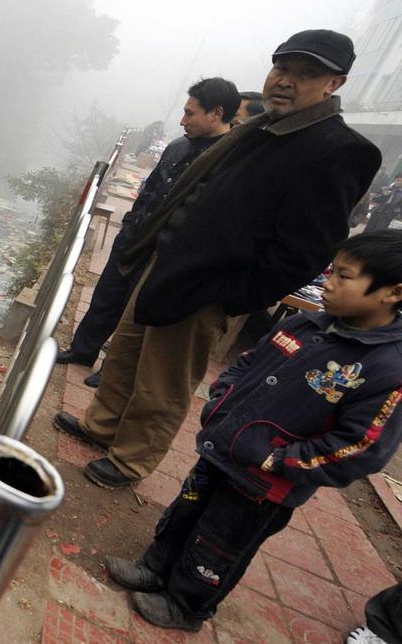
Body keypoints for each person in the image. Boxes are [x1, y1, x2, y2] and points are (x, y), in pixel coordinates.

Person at [55, 29, 382, 489]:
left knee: (162, 381)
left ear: (335, 84)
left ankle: (130, 460)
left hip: (209, 288)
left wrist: (230, 297)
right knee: (127, 353)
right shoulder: (259, 127)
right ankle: (101, 426)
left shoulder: (338, 149)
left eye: (306, 74)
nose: (286, 81)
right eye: (282, 69)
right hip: (166, 263)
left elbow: (306, 249)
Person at [104, 231, 402, 632]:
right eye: (331, 271)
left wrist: (279, 460)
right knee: (186, 512)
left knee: (218, 544)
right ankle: (155, 568)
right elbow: (247, 363)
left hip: (266, 484)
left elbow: (360, 447)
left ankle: (187, 605)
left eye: (344, 276)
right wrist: (221, 399)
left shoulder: (386, 369)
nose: (328, 282)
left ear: (392, 292)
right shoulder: (305, 323)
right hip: (222, 452)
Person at [55, 78, 240, 390]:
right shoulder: (179, 145)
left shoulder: (226, 160)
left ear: (216, 113)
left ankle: (113, 369)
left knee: (135, 310)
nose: (183, 121)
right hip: (136, 235)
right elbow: (150, 189)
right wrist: (130, 225)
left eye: (190, 114)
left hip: (164, 250)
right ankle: (83, 349)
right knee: (107, 294)